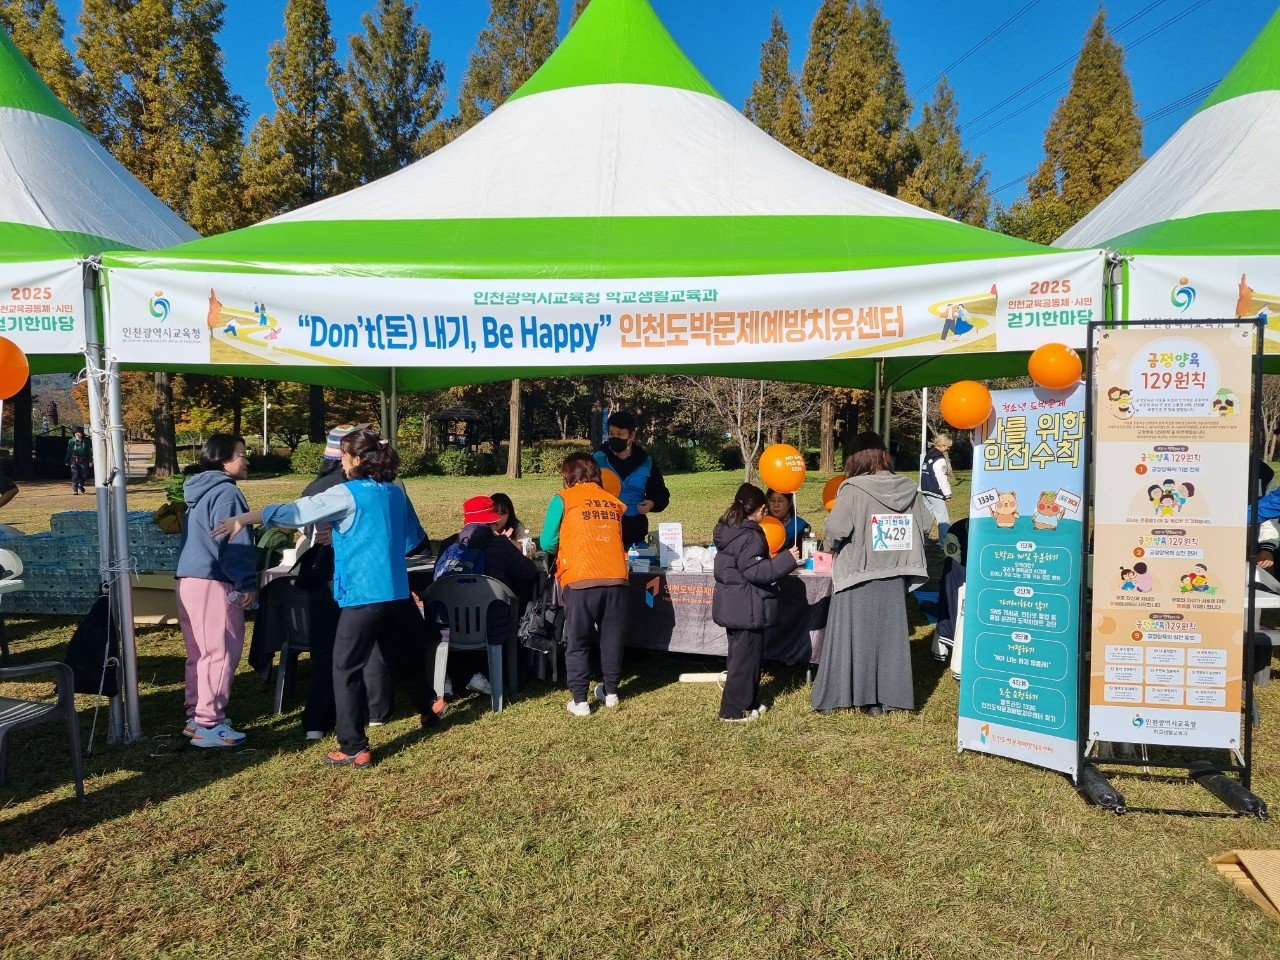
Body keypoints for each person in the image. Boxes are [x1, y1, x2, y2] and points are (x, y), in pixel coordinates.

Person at [213, 428, 442, 768]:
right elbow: (407, 540)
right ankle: (430, 706)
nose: (341, 462)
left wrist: (245, 518)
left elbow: (298, 511)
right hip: (396, 591)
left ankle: (353, 746)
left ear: (357, 459)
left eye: (343, 456)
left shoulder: (347, 493)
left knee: (344, 666)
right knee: (401, 657)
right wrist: (345, 535)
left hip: (363, 594)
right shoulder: (394, 492)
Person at [812, 443, 933, 715]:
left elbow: (837, 529)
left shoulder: (853, 489)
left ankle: (843, 696)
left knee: (852, 638)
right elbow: (926, 524)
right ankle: (886, 701)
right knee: (890, 639)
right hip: (895, 572)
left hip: (858, 572)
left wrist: (830, 543)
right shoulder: (908, 488)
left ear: (856, 459)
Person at [176, 434, 258, 747]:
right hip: (214, 581)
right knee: (221, 653)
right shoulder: (226, 492)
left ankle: (197, 717)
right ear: (223, 460)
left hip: (189, 580)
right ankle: (209, 724)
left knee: (200, 653)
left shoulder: (200, 491)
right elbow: (235, 543)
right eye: (241, 454)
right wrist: (246, 582)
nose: (246, 460)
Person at [540, 452, 628, 716]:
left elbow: (547, 541)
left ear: (568, 477)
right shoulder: (614, 502)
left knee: (578, 639)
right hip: (616, 576)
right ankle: (611, 692)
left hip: (581, 577)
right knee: (612, 637)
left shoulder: (563, 499)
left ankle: (580, 701)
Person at [435, 496, 540, 696]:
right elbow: (529, 572)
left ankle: (446, 678)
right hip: (491, 624)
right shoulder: (500, 544)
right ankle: (484, 675)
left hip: (448, 622)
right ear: (491, 520)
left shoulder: (448, 544)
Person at [713, 484, 800, 722]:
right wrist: (787, 559)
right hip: (747, 605)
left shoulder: (729, 531)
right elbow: (756, 571)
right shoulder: (751, 535)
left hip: (734, 603)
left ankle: (748, 701)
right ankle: (733, 711)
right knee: (745, 660)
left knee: (742, 657)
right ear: (760, 509)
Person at [593, 411, 670, 547]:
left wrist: (652, 503)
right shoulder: (597, 459)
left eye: (620, 434)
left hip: (635, 530)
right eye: (611, 434)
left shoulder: (646, 462)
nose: (615, 438)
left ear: (632, 435)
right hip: (602, 530)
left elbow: (661, 494)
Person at [919, 434, 954, 543]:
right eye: (948, 446)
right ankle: (945, 543)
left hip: (925, 490)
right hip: (935, 491)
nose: (948, 449)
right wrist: (947, 494)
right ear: (942, 445)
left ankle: (922, 541)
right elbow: (941, 478)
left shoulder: (928, 455)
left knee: (926, 518)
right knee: (943, 519)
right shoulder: (939, 458)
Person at [765, 487, 811, 551]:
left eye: (780, 500)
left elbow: (802, 553)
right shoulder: (762, 523)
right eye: (772, 500)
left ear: (789, 503)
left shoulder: (800, 526)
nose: (776, 504)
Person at [65, 427, 91, 495]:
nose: (77, 434)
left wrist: (90, 461)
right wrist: (66, 460)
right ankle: (75, 489)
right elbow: (68, 451)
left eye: (79, 432)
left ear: (82, 433)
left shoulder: (86, 441)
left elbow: (89, 451)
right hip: (74, 460)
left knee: (85, 474)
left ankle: (80, 485)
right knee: (75, 475)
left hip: (83, 460)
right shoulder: (71, 440)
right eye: (76, 432)